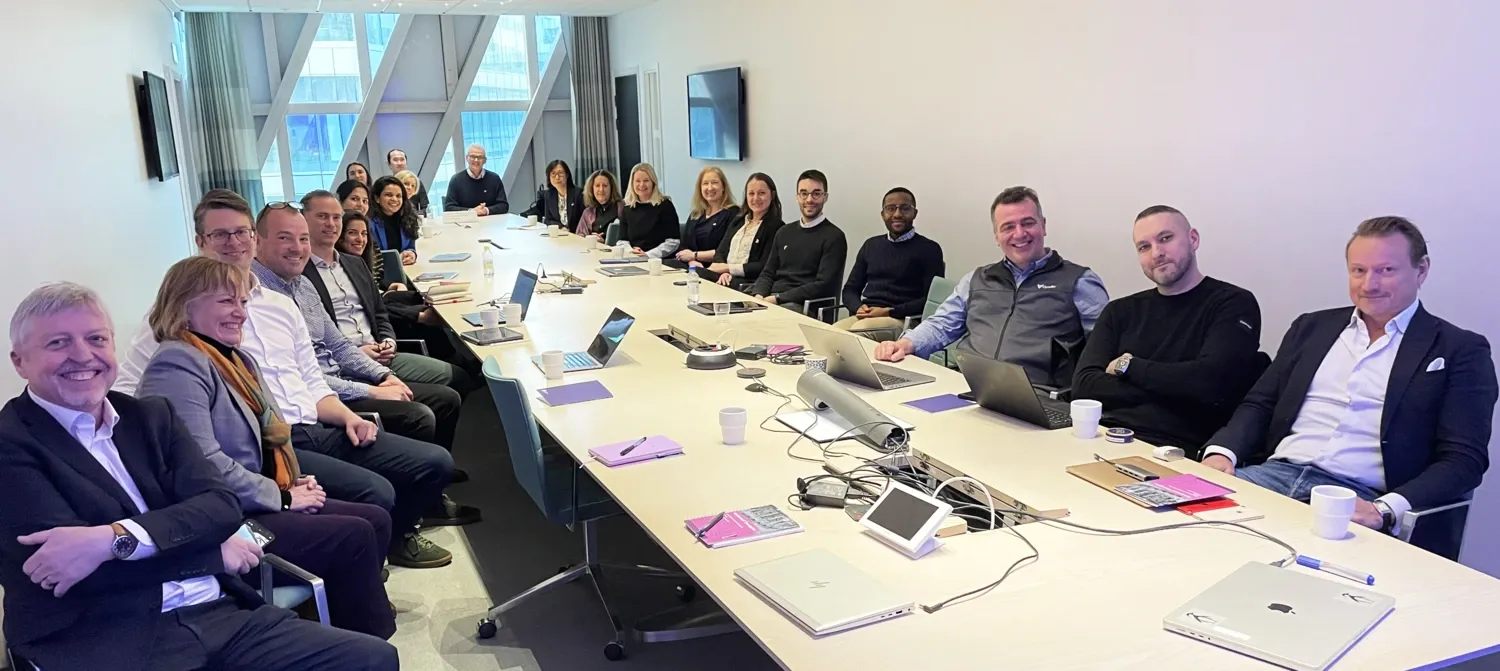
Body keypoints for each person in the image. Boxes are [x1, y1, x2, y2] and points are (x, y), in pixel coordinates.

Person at [0, 282, 397, 670]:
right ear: (19, 361)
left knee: (374, 658)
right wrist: (210, 556)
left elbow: (220, 506)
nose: (83, 355)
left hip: (220, 612)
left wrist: (112, 539)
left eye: (97, 339)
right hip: (108, 633)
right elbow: (69, 574)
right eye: (58, 343)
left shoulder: (149, 416)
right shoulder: (11, 443)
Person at [113, 189, 461, 568]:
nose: (234, 243)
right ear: (200, 243)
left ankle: (385, 543)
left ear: (254, 239)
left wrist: (349, 416)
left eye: (242, 233)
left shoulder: (281, 303)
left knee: (434, 462)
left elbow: (313, 377)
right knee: (375, 493)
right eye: (220, 235)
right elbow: (129, 396)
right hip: (260, 443)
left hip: (314, 421)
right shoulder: (179, 316)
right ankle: (362, 561)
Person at [136, 257, 396, 636]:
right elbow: (203, 465)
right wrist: (282, 496)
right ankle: (366, 643)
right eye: (226, 302)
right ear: (183, 304)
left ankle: (341, 629)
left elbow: (269, 439)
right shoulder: (176, 363)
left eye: (242, 302)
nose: (240, 313)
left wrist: (293, 481)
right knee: (353, 535)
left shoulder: (236, 359)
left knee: (376, 518)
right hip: (227, 526)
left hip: (256, 501)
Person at [1202, 217, 1498, 547]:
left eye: (1386, 270)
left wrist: (1384, 509)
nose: (1369, 284)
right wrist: (1222, 453)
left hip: (1359, 498)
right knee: (1174, 523)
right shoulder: (1311, 327)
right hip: (1271, 477)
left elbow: (1464, 460)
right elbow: (1260, 403)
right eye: (1359, 271)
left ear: (1421, 270)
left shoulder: (1460, 350)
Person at [252, 203, 472, 477]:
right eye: (284, 238)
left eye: (302, 239)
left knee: (446, 399)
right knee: (418, 415)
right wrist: (372, 391)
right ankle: (426, 492)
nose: (297, 248)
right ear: (256, 241)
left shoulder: (302, 284)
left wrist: (382, 376)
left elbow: (339, 345)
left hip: (345, 378)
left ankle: (436, 481)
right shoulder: (257, 300)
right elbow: (305, 379)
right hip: (322, 400)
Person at [1072, 205, 1263, 452]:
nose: (1156, 253)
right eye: (1144, 247)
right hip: (1100, 437)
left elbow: (1211, 385)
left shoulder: (1233, 304)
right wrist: (1176, 387)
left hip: (1174, 452)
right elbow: (1084, 387)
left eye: (1165, 239)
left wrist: (1129, 365)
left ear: (1193, 239)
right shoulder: (1120, 311)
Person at [874, 186, 1108, 387]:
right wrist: (905, 344)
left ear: (1043, 226)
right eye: (1008, 227)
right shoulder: (977, 279)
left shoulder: (1079, 281)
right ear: (996, 235)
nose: (1019, 233)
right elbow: (942, 325)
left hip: (1037, 398)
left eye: (1028, 223)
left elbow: (1104, 351)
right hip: (963, 388)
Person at [300, 190, 478, 413]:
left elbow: (380, 313)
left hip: (382, 354)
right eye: (322, 216)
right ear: (304, 219)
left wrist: (388, 342)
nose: (331, 224)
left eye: (336, 217)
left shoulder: (355, 264)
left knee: (458, 380)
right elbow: (312, 340)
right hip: (344, 364)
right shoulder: (299, 275)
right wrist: (357, 354)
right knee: (431, 405)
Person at [834, 187, 945, 336]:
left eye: (905, 208)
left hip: (902, 319)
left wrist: (889, 312)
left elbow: (930, 300)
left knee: (857, 332)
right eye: (890, 209)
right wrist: (858, 307)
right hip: (867, 314)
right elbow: (850, 289)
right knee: (828, 333)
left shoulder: (929, 249)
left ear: (915, 213)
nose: (897, 214)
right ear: (882, 214)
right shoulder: (871, 245)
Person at [749, 169, 848, 311]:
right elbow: (768, 272)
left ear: (825, 197)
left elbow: (823, 285)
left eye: (816, 194)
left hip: (802, 305)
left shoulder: (834, 237)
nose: (809, 199)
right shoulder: (784, 232)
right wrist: (758, 295)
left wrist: (777, 299)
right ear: (797, 197)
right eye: (804, 193)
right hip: (771, 300)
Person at [694, 172, 785, 290]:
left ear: (772, 195)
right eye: (751, 193)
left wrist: (728, 269)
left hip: (746, 282)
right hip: (723, 276)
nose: (756, 198)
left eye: (761, 193)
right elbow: (721, 252)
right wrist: (723, 273)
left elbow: (764, 266)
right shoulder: (738, 220)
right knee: (693, 273)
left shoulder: (776, 226)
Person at [671, 166, 740, 268]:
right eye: (705, 183)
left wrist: (695, 256)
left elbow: (727, 251)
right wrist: (692, 261)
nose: (710, 187)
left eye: (714, 182)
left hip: (715, 268)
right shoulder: (696, 214)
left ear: (723, 187)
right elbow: (683, 247)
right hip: (691, 265)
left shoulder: (733, 213)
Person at [620, 162, 682, 258]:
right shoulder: (627, 208)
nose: (641, 185)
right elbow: (622, 240)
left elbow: (673, 241)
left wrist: (648, 255)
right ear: (632, 183)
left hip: (659, 260)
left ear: (653, 183)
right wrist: (631, 251)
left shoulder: (665, 205)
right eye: (637, 181)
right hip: (633, 258)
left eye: (646, 180)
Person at [443, 144, 509, 215]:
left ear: (485, 160)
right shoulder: (456, 180)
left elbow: (504, 205)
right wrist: (472, 212)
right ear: (467, 158)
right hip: (465, 223)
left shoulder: (494, 179)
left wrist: (486, 210)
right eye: (473, 156)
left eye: (480, 157)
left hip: (490, 222)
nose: (476, 160)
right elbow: (449, 208)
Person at [369, 175, 420, 265]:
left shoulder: (408, 218)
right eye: (388, 195)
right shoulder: (369, 223)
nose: (394, 199)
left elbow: (410, 246)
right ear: (377, 198)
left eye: (398, 196)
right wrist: (395, 259)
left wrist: (412, 254)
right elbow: (371, 256)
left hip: (403, 268)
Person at [524, 159, 584, 231]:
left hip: (577, 235)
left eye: (560, 173)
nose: (557, 177)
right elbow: (548, 220)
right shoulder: (548, 195)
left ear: (567, 175)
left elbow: (584, 220)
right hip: (559, 234)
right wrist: (561, 227)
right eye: (553, 174)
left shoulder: (578, 194)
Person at [577, 169, 623, 238]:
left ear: (611, 188)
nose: (601, 189)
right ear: (592, 189)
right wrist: (591, 238)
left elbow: (628, 237)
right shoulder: (588, 212)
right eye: (597, 186)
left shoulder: (622, 208)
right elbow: (579, 236)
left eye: (605, 186)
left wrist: (605, 242)